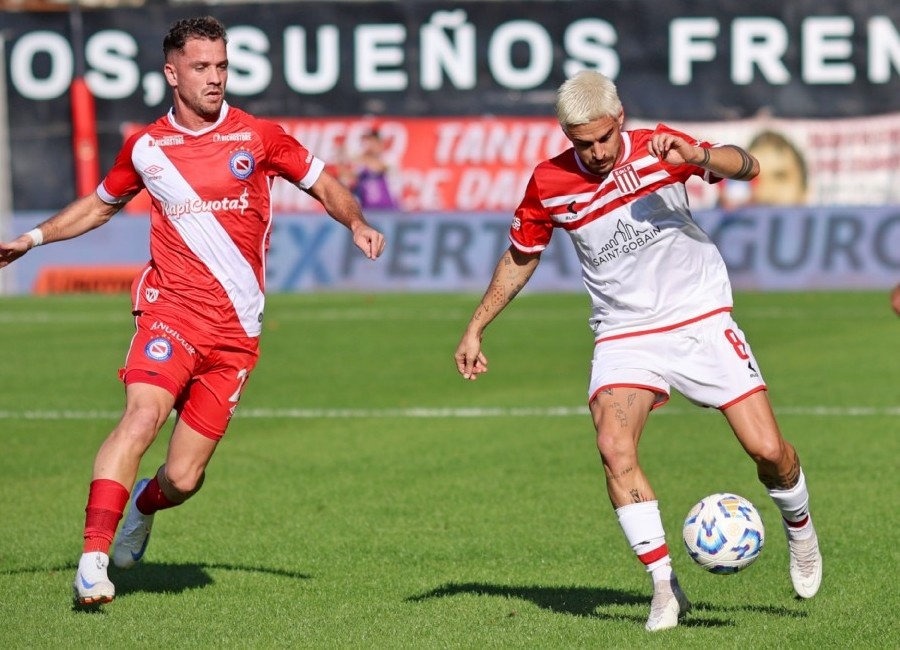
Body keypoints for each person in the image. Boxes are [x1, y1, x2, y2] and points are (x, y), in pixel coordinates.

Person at [0, 16, 386, 607]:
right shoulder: (146, 147)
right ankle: (92, 562)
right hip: (171, 314)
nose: (215, 78)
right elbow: (99, 206)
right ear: (171, 73)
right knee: (140, 419)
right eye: (202, 67)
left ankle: (143, 505)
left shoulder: (259, 136)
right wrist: (31, 239)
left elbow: (325, 184)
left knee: (183, 478)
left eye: (222, 66)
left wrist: (356, 221)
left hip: (236, 334)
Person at [454, 70, 822, 632]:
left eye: (604, 138)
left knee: (769, 450)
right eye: (583, 143)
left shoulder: (660, 149)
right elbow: (522, 254)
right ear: (566, 135)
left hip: (699, 317)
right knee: (613, 445)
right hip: (625, 331)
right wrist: (477, 326)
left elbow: (748, 167)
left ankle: (800, 529)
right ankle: (664, 587)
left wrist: (698, 155)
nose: (597, 152)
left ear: (620, 118)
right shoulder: (549, 182)